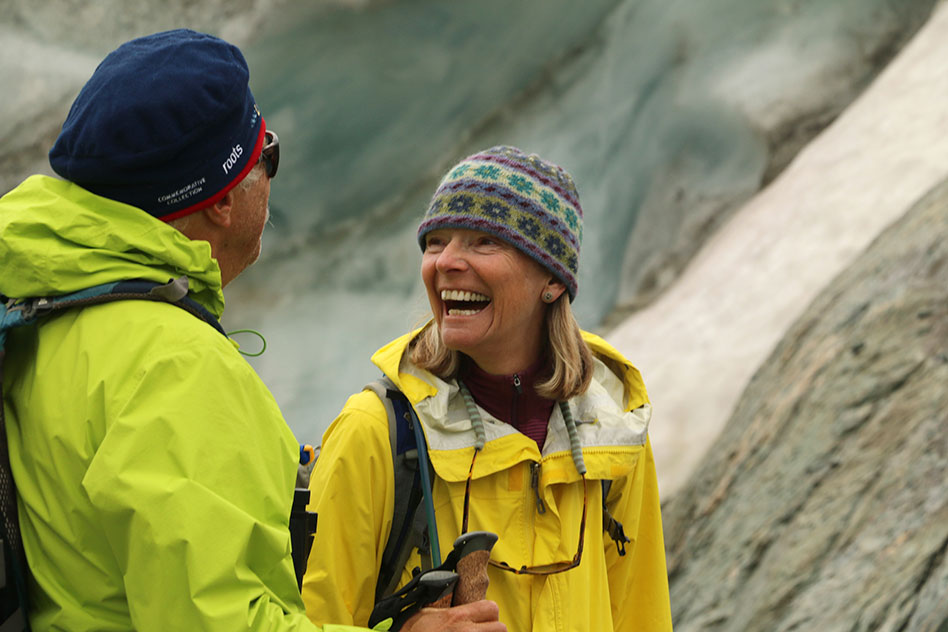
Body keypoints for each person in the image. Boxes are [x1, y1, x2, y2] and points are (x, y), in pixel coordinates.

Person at [0, 29, 502, 632]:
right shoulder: (173, 366)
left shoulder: (40, 312)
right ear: (221, 197)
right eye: (267, 152)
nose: (271, 174)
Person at [302, 146, 673, 630]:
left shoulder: (612, 428)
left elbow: (642, 615)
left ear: (552, 280)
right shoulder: (375, 433)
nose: (446, 262)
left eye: (483, 242)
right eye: (436, 242)